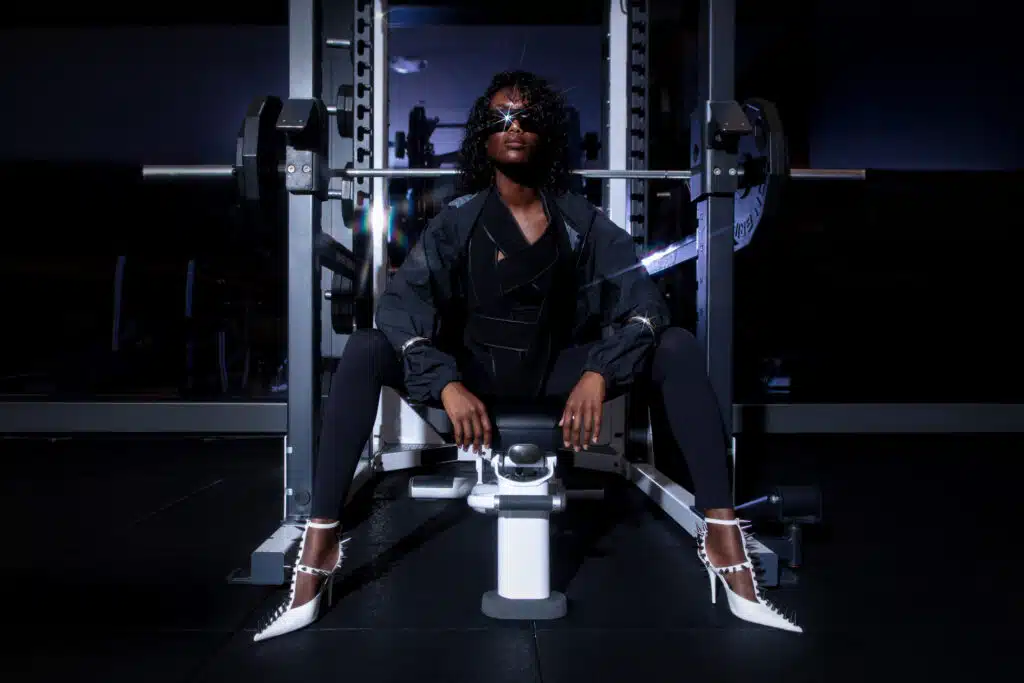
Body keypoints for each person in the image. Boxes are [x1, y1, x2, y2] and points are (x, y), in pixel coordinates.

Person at [254, 71, 801, 642]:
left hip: (556, 376)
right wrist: (444, 382)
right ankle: (320, 540)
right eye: (500, 118)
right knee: (366, 347)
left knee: (676, 344)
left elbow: (644, 301)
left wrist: (598, 370)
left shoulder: (580, 222)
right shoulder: (457, 223)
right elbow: (399, 306)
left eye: (528, 117)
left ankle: (720, 532)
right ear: (482, 139)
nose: (514, 127)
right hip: (473, 379)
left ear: (547, 134)